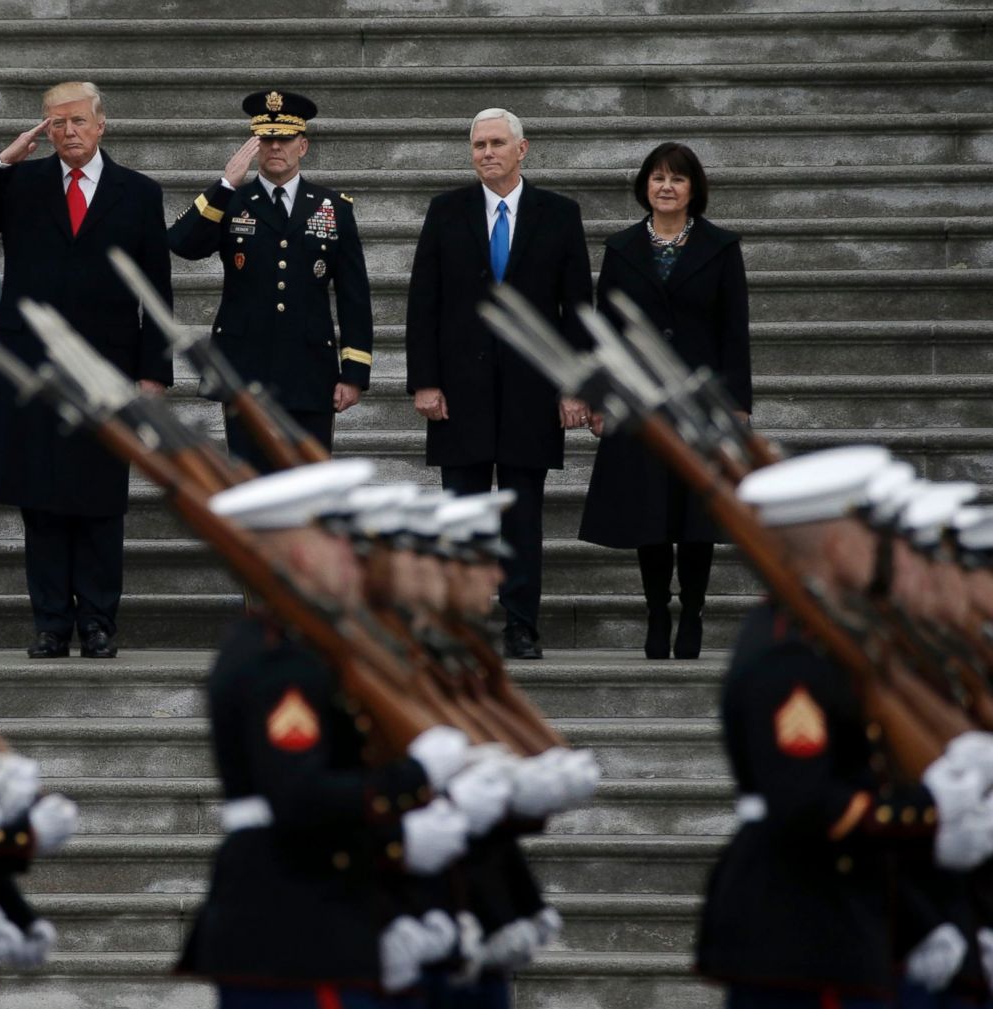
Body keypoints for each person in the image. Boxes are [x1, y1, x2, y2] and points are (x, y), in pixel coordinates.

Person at [696, 445, 993, 1008]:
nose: (890, 553)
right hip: (803, 936)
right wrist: (930, 807)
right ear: (837, 546)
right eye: (873, 536)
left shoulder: (832, 642)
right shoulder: (791, 658)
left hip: (843, 927)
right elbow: (804, 802)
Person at [178, 457, 474, 1008]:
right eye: (335, 540)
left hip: (323, 916)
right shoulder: (278, 662)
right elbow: (299, 796)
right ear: (298, 555)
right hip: (293, 927)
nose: (352, 555)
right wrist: (413, 783)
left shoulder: (302, 649)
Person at [0, 80, 175, 660]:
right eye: (56, 123)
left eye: (77, 122)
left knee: (100, 496)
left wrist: (154, 371)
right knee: (41, 495)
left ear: (102, 125)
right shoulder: (21, 181)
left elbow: (156, 289)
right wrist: (2, 161)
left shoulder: (139, 192)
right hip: (34, 363)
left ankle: (99, 621)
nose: (67, 132)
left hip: (107, 364)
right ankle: (50, 622)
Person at [405, 108, 593, 660]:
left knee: (521, 517)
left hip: (531, 393)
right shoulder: (446, 211)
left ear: (522, 149)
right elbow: (424, 303)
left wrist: (576, 384)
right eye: (478, 145)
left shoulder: (559, 214)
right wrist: (424, 381)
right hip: (458, 391)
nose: (486, 153)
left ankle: (519, 624)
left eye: (496, 143)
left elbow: (579, 309)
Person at [578, 142, 751, 660]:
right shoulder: (622, 248)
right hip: (639, 400)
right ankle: (657, 613)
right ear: (644, 187)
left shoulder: (721, 247)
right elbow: (604, 331)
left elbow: (733, 330)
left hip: (702, 401)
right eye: (657, 178)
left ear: (693, 188)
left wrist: (737, 403)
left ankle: (692, 615)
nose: (667, 187)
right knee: (650, 512)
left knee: (696, 512)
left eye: (677, 179)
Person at [166, 89, 373, 472]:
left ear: (303, 146)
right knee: (250, 484)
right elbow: (181, 244)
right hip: (245, 368)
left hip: (310, 370)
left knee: (311, 488)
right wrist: (225, 185)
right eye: (266, 139)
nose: (275, 146)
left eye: (285, 139)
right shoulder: (233, 201)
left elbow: (354, 296)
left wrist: (355, 373)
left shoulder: (332, 207)